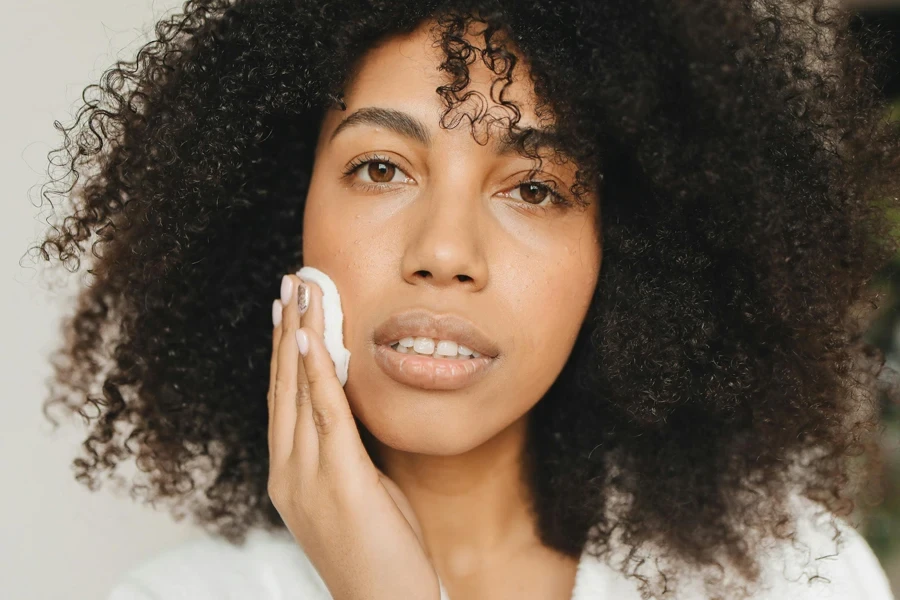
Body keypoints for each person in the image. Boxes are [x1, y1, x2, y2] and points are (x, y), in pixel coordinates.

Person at [30, 0, 900, 598]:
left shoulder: (795, 576)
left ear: (628, 256)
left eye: (534, 188)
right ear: (277, 211)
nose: (444, 253)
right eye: (380, 168)